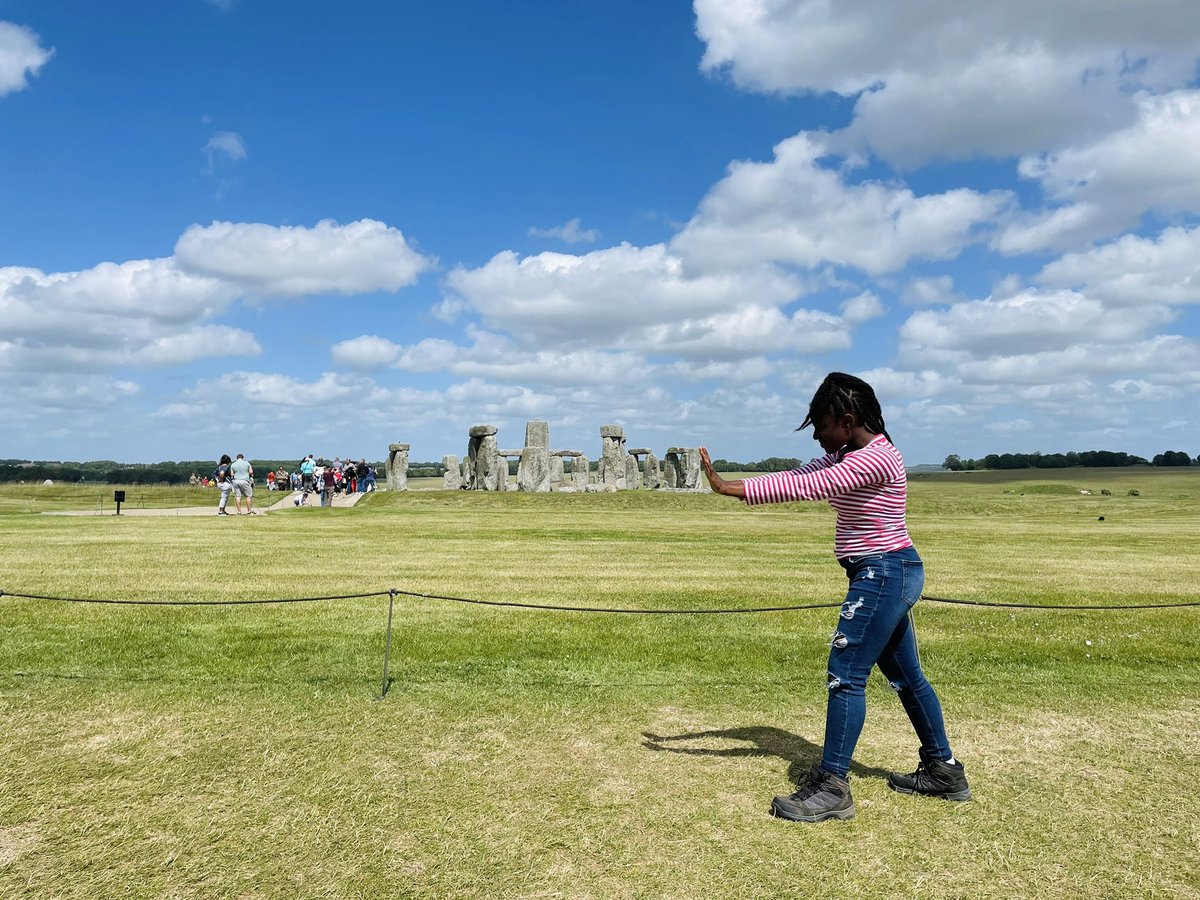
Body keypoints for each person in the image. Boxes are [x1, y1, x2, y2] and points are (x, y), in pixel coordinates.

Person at [700, 372, 969, 823]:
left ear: (846, 420)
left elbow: (808, 487)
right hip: (888, 571)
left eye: (821, 427)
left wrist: (728, 488)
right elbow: (802, 474)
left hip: (883, 572)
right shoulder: (851, 453)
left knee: (845, 674)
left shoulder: (875, 459)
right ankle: (943, 770)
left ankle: (833, 786)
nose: (819, 438)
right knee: (906, 676)